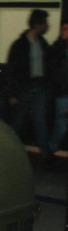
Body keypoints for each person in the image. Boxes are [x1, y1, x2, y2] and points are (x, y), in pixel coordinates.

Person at [7, 9, 52, 163]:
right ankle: (8, 152)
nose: (48, 26)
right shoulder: (20, 44)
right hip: (24, 88)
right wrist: (13, 94)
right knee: (18, 121)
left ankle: (46, 156)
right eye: (45, 23)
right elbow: (12, 70)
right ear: (37, 24)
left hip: (39, 86)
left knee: (40, 120)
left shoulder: (43, 43)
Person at [49, 22, 68, 153]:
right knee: (61, 125)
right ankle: (50, 152)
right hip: (63, 94)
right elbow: (54, 72)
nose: (65, 32)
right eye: (64, 29)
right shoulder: (57, 48)